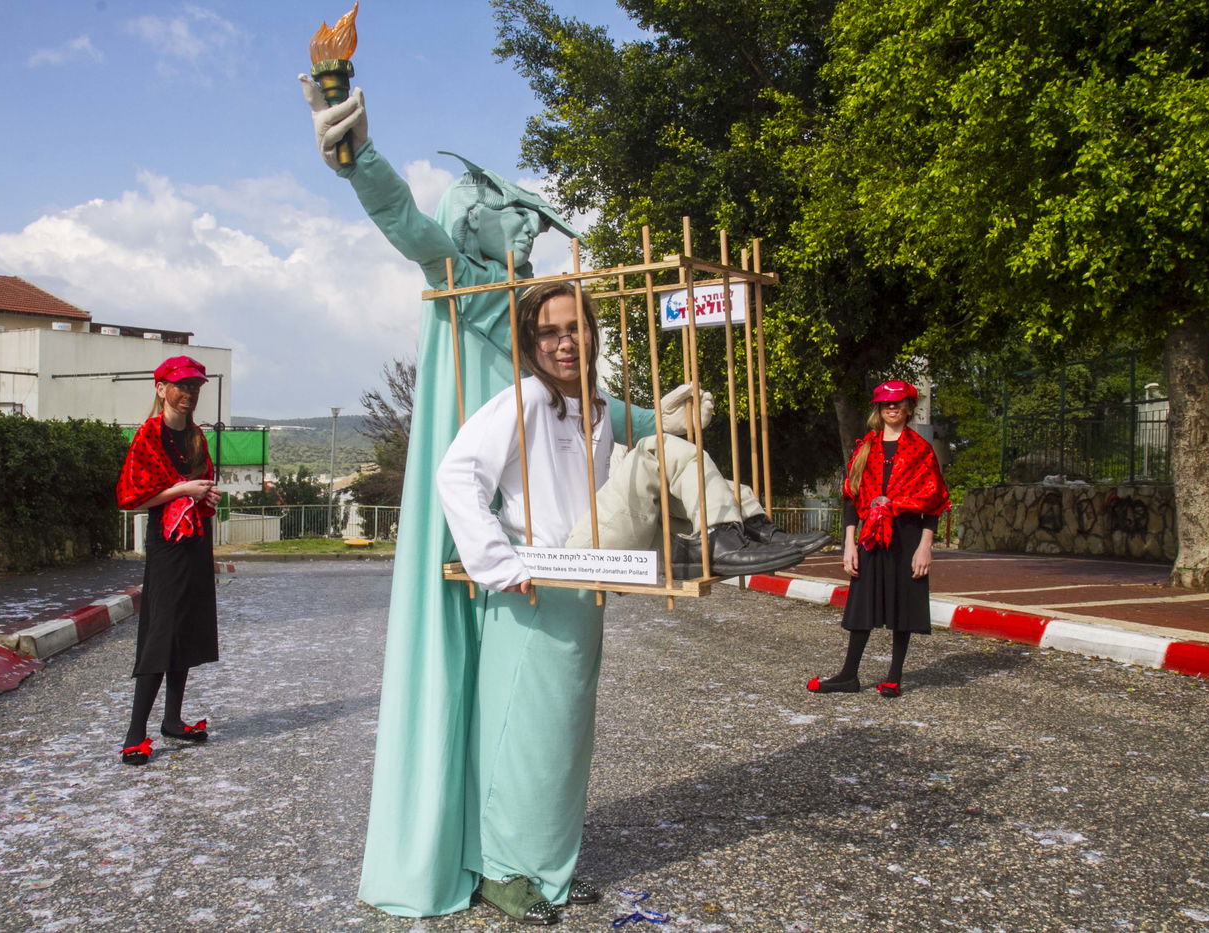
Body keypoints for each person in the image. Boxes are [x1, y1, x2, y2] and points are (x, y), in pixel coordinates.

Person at [299, 80, 819, 917]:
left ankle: (738, 527)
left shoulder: (578, 389)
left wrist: (666, 412)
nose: (529, 233)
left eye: (574, 329)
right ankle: (511, 868)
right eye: (516, 219)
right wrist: (357, 155)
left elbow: (620, 416)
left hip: (584, 556)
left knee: (565, 726)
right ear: (478, 223)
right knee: (531, 724)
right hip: (542, 558)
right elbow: (407, 222)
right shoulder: (490, 314)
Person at [807, 381, 949, 698]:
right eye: (886, 404)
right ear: (879, 409)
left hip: (907, 534)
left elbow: (935, 502)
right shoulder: (865, 448)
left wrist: (925, 547)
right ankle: (848, 675)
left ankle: (894, 677)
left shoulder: (921, 449)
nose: (892, 408)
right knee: (862, 601)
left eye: (898, 403)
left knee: (903, 603)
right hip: (870, 534)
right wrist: (849, 544)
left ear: (909, 408)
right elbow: (851, 498)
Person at [114, 356, 222, 765]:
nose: (188, 394)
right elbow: (131, 497)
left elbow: (200, 485)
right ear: (161, 389)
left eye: (195, 387)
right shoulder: (149, 435)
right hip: (167, 542)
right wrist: (183, 490)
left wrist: (204, 493)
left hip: (196, 537)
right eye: (181, 386)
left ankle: (172, 720)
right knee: (161, 630)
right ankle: (134, 733)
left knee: (187, 627)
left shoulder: (195, 436)